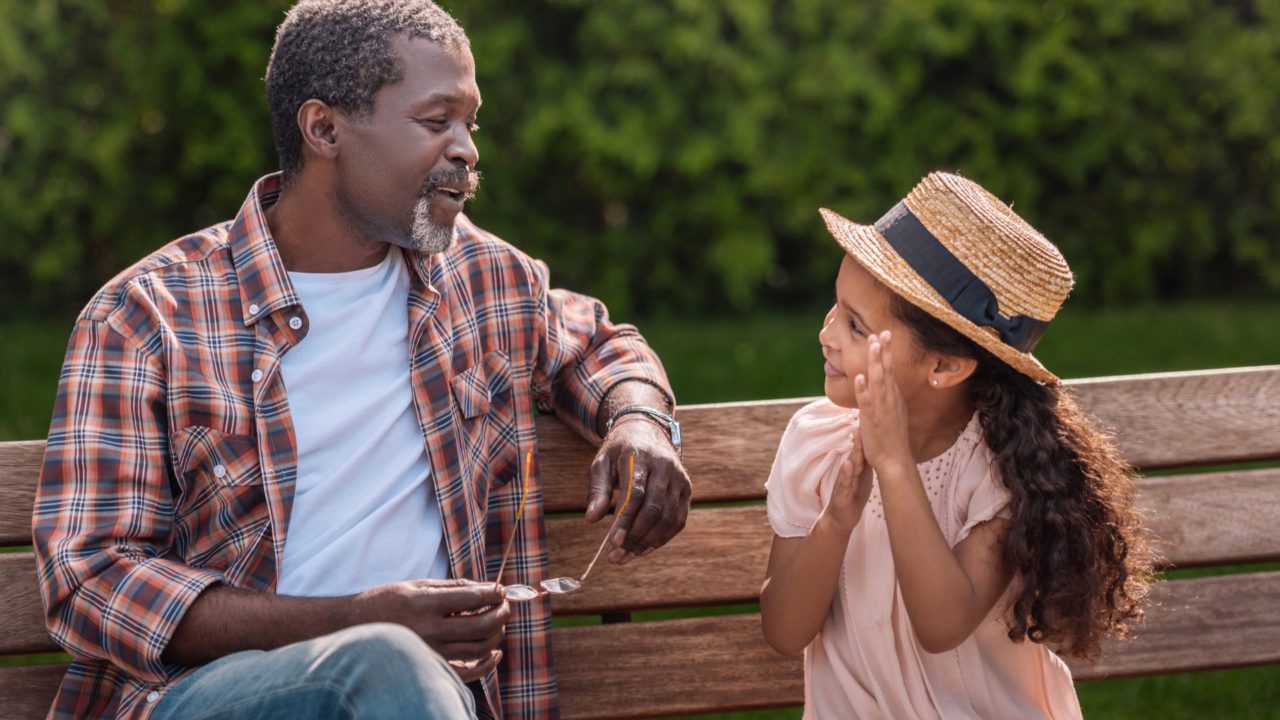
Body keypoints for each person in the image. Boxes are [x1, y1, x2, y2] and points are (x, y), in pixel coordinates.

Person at [32, 1, 690, 718]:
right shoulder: (148, 316)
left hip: (433, 699)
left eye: (472, 124)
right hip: (207, 698)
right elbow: (91, 580)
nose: (467, 149)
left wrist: (639, 422)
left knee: (397, 673)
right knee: (385, 663)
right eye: (438, 122)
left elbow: (600, 345)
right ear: (324, 129)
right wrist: (353, 622)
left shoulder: (483, 280)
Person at [759, 172, 1153, 718]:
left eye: (855, 325)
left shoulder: (1001, 472)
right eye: (835, 307)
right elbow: (783, 632)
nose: (826, 333)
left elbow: (941, 625)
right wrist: (835, 522)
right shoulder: (818, 445)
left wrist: (894, 465)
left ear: (944, 365)